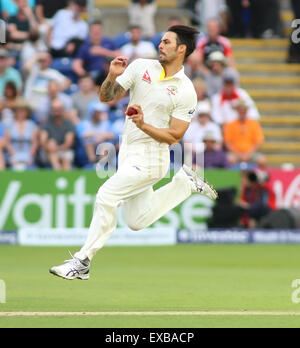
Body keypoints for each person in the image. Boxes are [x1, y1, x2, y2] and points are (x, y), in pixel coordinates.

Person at [50, 25, 218, 280]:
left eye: (167, 42)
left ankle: (82, 261)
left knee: (106, 195)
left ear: (181, 49)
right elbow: (107, 97)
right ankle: (184, 184)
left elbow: (175, 136)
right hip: (128, 151)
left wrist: (143, 125)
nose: (160, 45)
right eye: (161, 41)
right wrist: (110, 76)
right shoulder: (141, 67)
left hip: (152, 158)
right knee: (137, 221)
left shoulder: (186, 90)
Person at [224, 99, 264, 165]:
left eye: (244, 110)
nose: (242, 111)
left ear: (246, 111)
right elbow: (228, 142)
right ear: (237, 110)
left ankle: (258, 175)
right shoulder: (230, 125)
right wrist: (239, 154)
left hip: (251, 153)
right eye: (240, 109)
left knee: (262, 160)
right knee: (229, 159)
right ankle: (232, 175)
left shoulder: (254, 124)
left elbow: (258, 141)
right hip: (235, 153)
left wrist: (248, 154)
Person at [183, 101, 223, 166]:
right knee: (188, 158)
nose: (203, 117)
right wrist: (197, 153)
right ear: (198, 115)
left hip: (211, 153)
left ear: (209, 115)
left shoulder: (214, 127)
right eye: (201, 115)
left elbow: (218, 144)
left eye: (205, 115)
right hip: (194, 153)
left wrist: (209, 152)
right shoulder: (190, 127)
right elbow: (186, 143)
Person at [40, 99, 76, 170]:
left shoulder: (69, 124)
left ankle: (64, 177)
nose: (57, 112)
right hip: (47, 151)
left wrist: (57, 148)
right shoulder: (46, 123)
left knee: (64, 159)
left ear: (62, 110)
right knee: (52, 149)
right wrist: (49, 146)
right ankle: (58, 174)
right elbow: (42, 141)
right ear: (51, 110)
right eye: (54, 109)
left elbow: (68, 143)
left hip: (64, 150)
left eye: (59, 109)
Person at [5, 98, 39, 170]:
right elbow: (7, 142)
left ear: (27, 112)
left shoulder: (32, 125)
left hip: (28, 154)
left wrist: (30, 156)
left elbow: (35, 143)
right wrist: (13, 155)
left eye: (23, 110)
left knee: (29, 167)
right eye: (18, 110)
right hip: (13, 154)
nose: (20, 112)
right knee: (15, 166)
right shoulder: (9, 125)